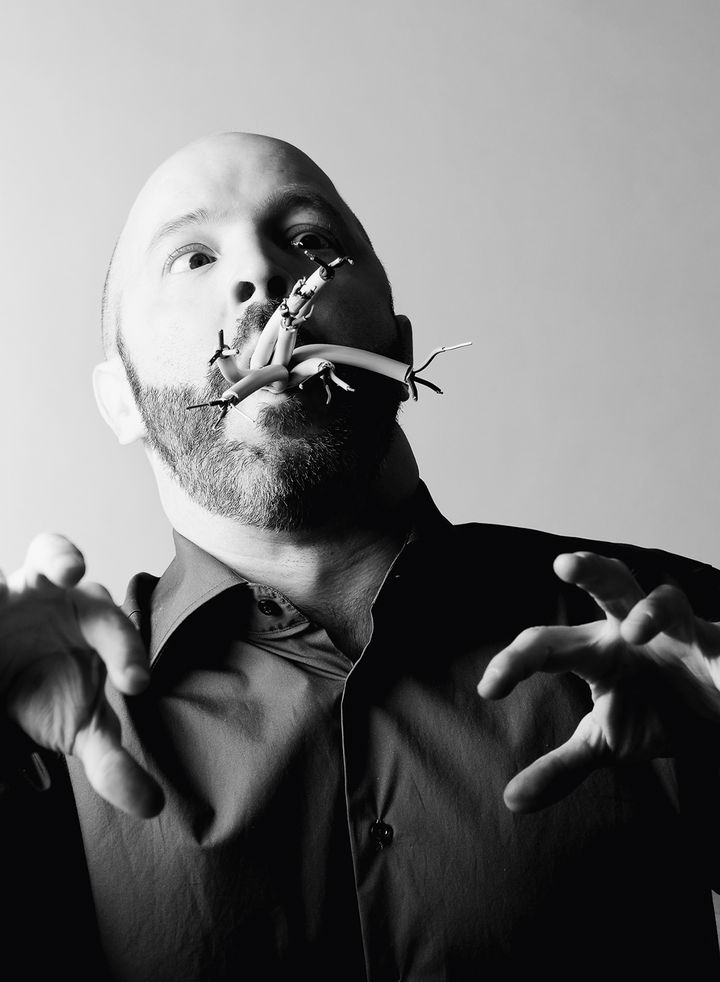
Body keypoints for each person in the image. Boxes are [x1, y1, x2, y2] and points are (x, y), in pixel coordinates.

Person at [2, 132, 720, 981]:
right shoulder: (48, 726)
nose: (261, 275)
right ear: (121, 400)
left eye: (309, 241)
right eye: (193, 257)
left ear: (397, 345)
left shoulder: (661, 631)